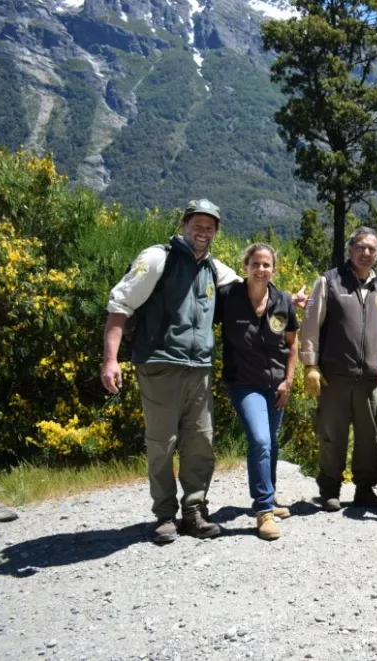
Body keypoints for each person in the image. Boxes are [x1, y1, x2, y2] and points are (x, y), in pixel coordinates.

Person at [101, 199, 240, 544]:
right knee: (161, 443)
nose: (203, 232)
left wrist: (287, 302)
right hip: (159, 363)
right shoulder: (156, 259)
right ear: (183, 225)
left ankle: (194, 512)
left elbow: (250, 289)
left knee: (201, 442)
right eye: (197, 225)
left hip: (199, 368)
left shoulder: (214, 268)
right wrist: (110, 360)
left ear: (216, 232)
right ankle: (164, 515)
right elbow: (120, 304)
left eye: (209, 227)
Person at [300, 227, 377, 512]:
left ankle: (364, 489)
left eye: (372, 249)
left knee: (369, 438)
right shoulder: (329, 281)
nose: (366, 253)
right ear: (350, 249)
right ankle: (330, 489)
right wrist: (310, 365)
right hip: (334, 376)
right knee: (333, 435)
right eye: (360, 247)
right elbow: (311, 323)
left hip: (370, 378)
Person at [215, 243, 299, 540]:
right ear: (245, 267)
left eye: (266, 265)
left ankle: (270, 498)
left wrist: (288, 381)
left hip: (276, 384)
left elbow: (292, 344)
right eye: (256, 264)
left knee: (271, 442)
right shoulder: (228, 297)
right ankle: (263, 511)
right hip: (243, 383)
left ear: (274, 269)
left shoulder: (283, 300)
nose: (261, 269)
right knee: (260, 440)